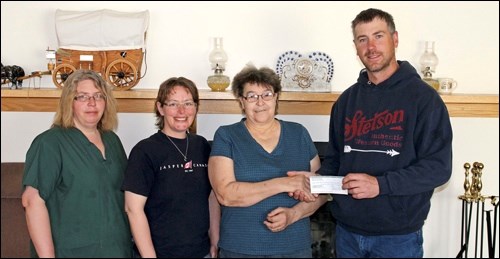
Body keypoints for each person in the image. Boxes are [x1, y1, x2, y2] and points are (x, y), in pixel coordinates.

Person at [320, 8, 453, 258]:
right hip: (346, 234)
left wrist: (380, 185)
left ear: (395, 39)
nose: (371, 46)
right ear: (355, 46)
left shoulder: (424, 100)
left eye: (378, 36)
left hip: (398, 239)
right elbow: (335, 162)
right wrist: (312, 183)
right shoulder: (346, 101)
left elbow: (438, 168)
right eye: (362, 39)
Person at [208, 64, 328, 258]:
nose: (260, 102)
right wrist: (285, 183)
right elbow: (225, 194)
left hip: (295, 248)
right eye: (251, 96)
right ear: (241, 101)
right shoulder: (227, 136)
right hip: (241, 248)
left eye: (266, 94)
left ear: (276, 97)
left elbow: (322, 190)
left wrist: (293, 215)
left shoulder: (299, 133)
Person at [21, 69, 132, 257]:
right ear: (69, 102)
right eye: (82, 97)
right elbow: (32, 202)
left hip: (117, 250)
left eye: (98, 96)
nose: (92, 103)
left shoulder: (112, 140)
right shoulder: (50, 143)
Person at [122, 77, 220, 258]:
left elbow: (212, 197)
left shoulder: (203, 146)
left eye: (188, 103)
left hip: (201, 252)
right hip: (159, 253)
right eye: (173, 104)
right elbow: (133, 209)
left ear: (196, 107)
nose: (181, 111)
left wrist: (215, 241)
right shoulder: (145, 151)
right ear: (160, 108)